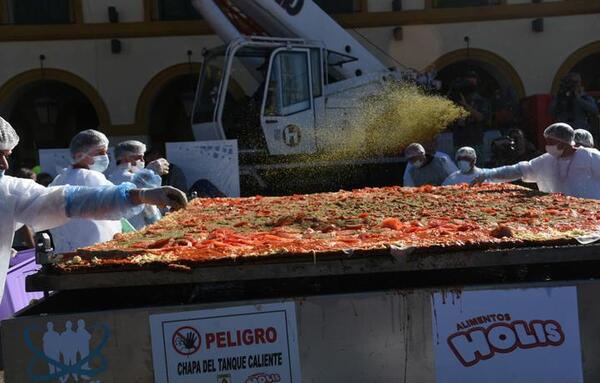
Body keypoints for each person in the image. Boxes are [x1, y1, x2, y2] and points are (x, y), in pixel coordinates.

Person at [0, 117, 187, 300]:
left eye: (6, 156)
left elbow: (76, 200)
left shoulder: (10, 190)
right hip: (89, 265)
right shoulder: (88, 178)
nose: (4, 164)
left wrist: (141, 195)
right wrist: (144, 189)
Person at [473, 123, 600, 199]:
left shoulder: (589, 156)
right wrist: (488, 175)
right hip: (560, 216)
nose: (548, 146)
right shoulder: (547, 160)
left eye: (551, 142)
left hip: (592, 214)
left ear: (563, 142)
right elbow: (518, 170)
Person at [108, 140, 170, 229]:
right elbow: (150, 208)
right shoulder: (132, 178)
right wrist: (150, 173)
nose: (143, 161)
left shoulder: (110, 177)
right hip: (137, 228)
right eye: (140, 157)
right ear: (126, 158)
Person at [449, 71, 491, 156]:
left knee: (477, 168)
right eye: (468, 81)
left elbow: (481, 117)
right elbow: (451, 121)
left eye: (472, 82)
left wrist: (466, 105)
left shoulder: (480, 101)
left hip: (475, 142)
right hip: (459, 142)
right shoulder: (456, 101)